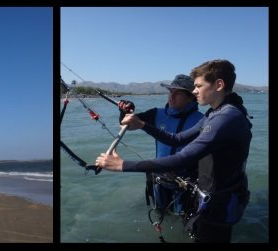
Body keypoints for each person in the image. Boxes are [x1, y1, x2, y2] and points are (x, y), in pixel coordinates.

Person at [96, 59, 251, 243]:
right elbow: (176, 139)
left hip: (221, 203)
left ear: (219, 85)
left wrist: (122, 165)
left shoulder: (226, 117)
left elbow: (182, 158)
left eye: (198, 86)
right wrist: (142, 124)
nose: (195, 91)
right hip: (208, 197)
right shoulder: (215, 113)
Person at [118, 74, 204, 218]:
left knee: (185, 222)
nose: (172, 96)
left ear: (191, 97)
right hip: (159, 179)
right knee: (160, 216)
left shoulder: (202, 121)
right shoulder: (156, 113)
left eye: (178, 93)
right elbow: (128, 125)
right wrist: (125, 112)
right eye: (171, 91)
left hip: (186, 184)